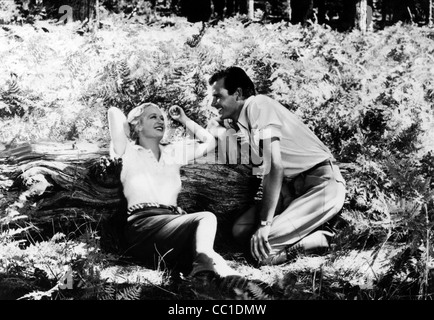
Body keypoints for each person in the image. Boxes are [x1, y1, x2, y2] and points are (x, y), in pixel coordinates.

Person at [206, 66, 347, 266]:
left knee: (260, 252)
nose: (213, 103)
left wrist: (265, 224)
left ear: (237, 93)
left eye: (218, 96)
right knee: (241, 230)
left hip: (320, 185)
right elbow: (236, 145)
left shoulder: (258, 105)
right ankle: (302, 227)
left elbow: (275, 167)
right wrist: (219, 126)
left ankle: (323, 239)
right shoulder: (246, 123)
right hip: (292, 190)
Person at [108, 102, 238, 278]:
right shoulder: (127, 151)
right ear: (137, 125)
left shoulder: (173, 152)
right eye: (153, 117)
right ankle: (202, 273)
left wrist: (183, 119)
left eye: (162, 117)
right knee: (206, 218)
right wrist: (130, 128)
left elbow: (210, 142)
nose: (160, 120)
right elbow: (114, 112)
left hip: (171, 225)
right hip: (143, 226)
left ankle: (230, 283)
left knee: (218, 261)